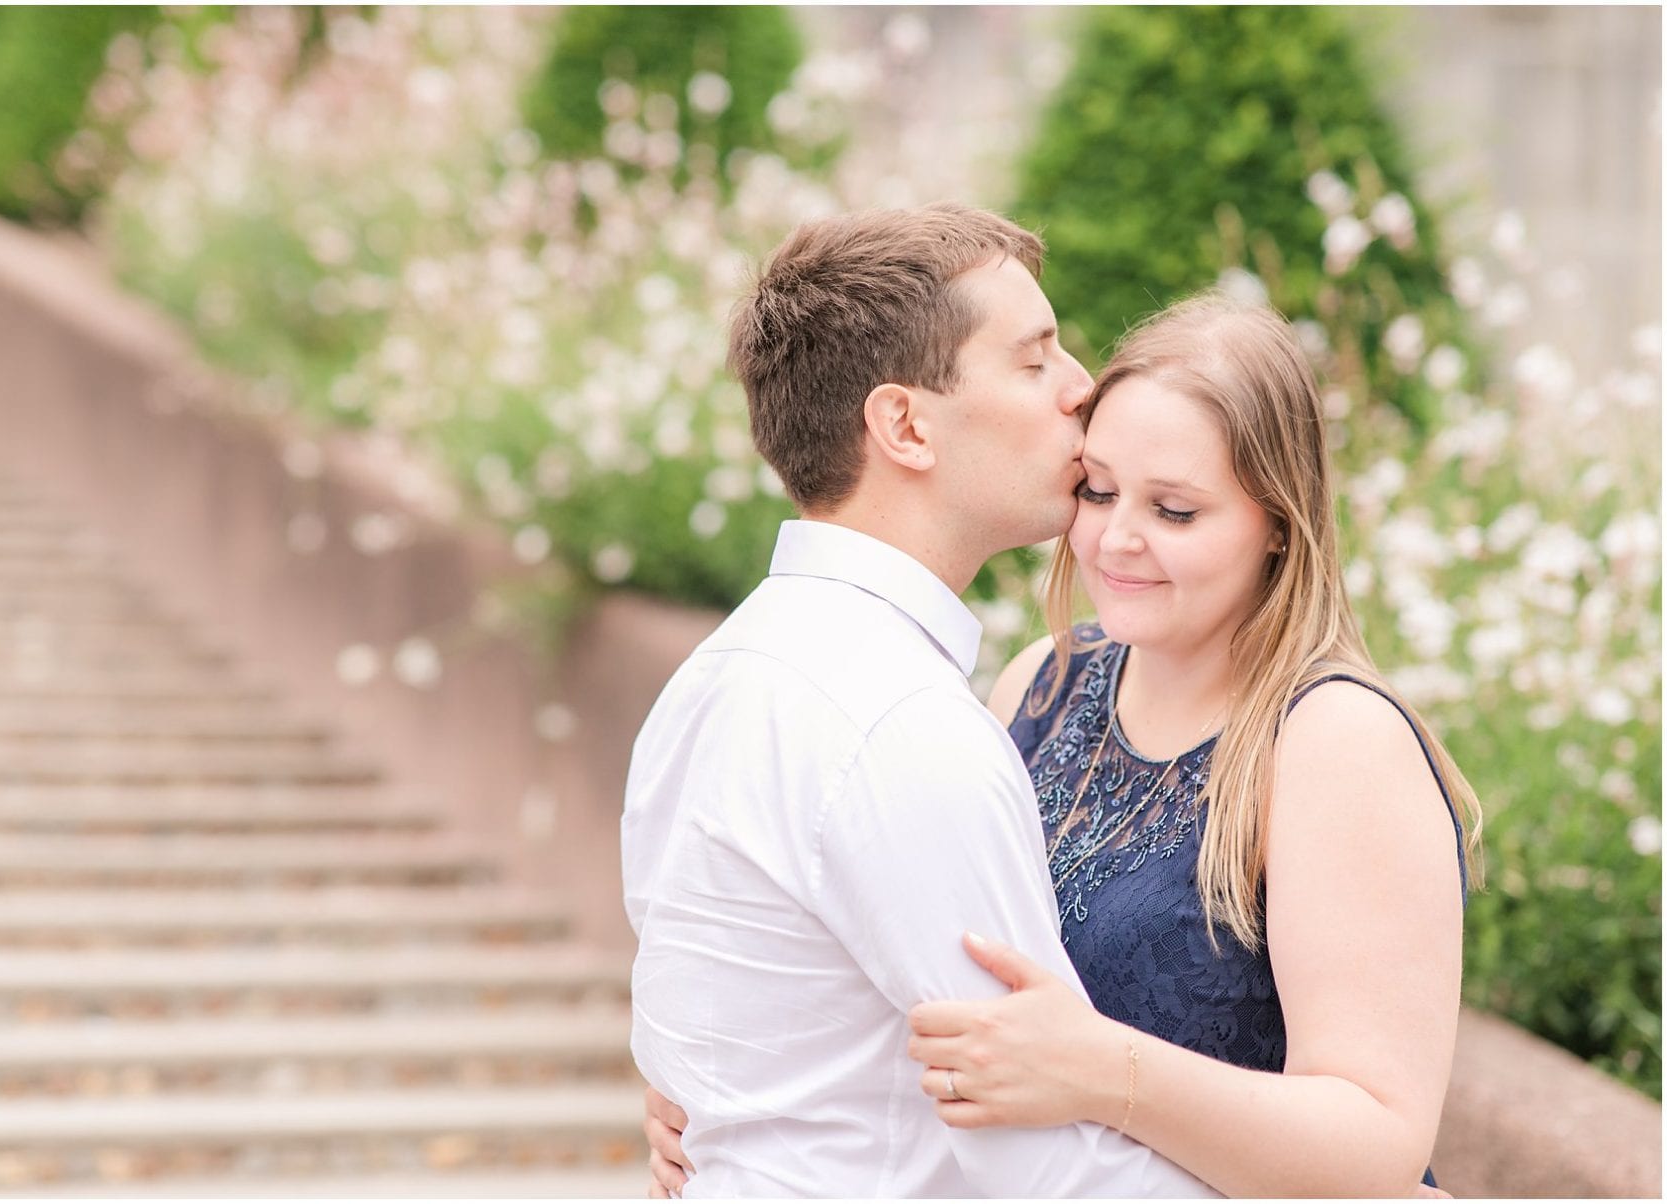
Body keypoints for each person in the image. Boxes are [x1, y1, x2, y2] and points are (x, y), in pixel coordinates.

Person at [643, 292, 1477, 1198]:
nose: (1117, 540)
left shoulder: (1335, 741)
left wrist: (1110, 1073)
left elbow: (1380, 1144)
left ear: (1277, 523)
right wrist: (737, 1095)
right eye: (1100, 490)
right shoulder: (1045, 680)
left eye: (1177, 512)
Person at [622, 204, 1214, 1196]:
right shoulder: (897, 724)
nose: (1081, 389)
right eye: (1034, 360)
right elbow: (1038, 1159)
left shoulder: (715, 678)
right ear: (904, 424)